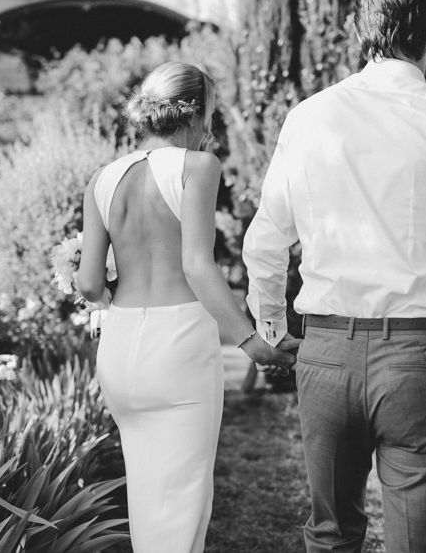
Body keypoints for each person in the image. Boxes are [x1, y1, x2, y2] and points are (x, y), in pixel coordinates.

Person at [243, 0, 426, 553]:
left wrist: (273, 329)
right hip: (423, 357)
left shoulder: (311, 116)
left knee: (331, 535)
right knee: (420, 541)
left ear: (360, 27)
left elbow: (265, 239)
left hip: (326, 353)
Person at [76, 61, 299, 553]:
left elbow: (89, 282)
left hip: (119, 351)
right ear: (194, 114)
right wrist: (252, 343)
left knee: (149, 500)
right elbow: (197, 267)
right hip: (177, 351)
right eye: (212, 115)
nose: (212, 127)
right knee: (181, 508)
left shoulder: (104, 178)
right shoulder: (198, 167)